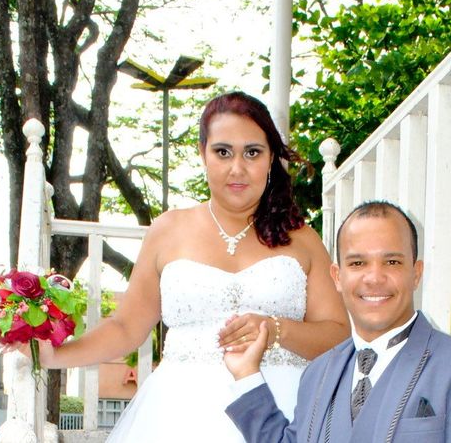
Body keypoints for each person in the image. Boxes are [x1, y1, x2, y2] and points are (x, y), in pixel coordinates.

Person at [21, 91, 349, 442]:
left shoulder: (303, 239)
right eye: (223, 152)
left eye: (252, 152)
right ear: (203, 154)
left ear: (270, 159)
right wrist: (56, 354)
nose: (237, 167)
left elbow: (339, 336)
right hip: (175, 418)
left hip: (279, 414)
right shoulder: (167, 230)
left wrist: (275, 329)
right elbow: (126, 328)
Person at [224, 200, 451, 443]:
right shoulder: (318, 373)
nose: (374, 278)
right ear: (337, 277)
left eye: (392, 262)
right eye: (358, 263)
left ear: (416, 273)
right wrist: (246, 374)